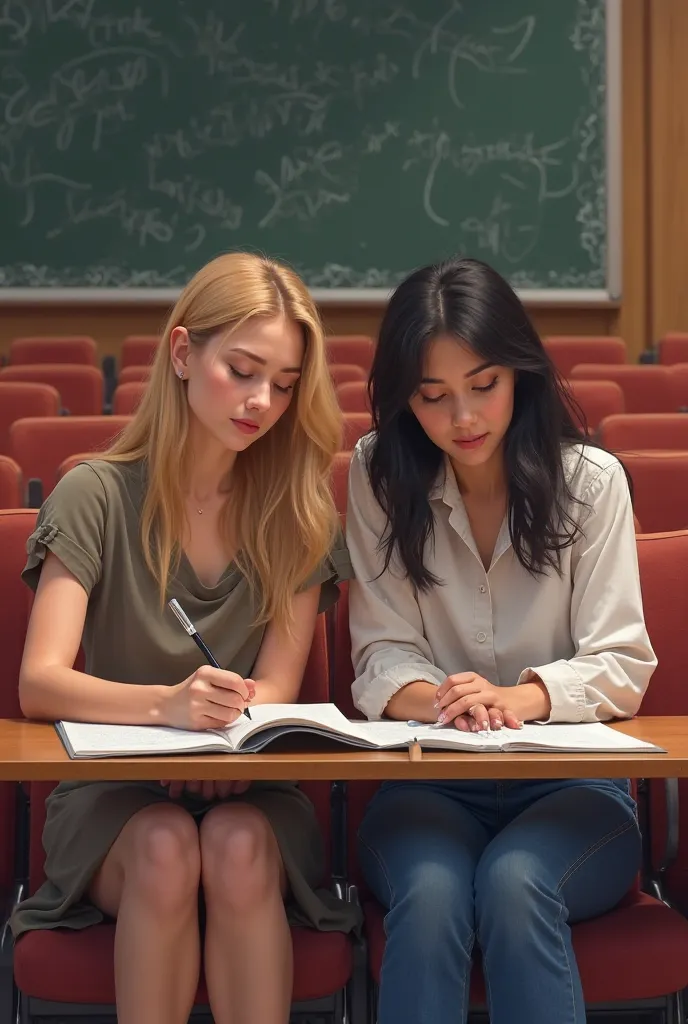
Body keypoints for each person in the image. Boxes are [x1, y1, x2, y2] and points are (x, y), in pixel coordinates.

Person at [12, 252, 359, 1024]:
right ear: (181, 353)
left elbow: (276, 689)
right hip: (112, 796)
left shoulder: (299, 515)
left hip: (254, 791)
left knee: (236, 846)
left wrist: (224, 736)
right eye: (242, 370)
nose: (263, 400)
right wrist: (169, 711)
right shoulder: (94, 493)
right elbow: (41, 682)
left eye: (286, 381)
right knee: (166, 847)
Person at [345, 257, 656, 1024]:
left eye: (483, 385)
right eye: (432, 396)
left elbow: (621, 662)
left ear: (520, 372)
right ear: (402, 399)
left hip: (574, 790)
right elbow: (380, 656)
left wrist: (516, 698)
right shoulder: (378, 473)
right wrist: (456, 701)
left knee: (519, 883)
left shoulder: (592, 482)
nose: (463, 419)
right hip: (429, 785)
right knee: (433, 892)